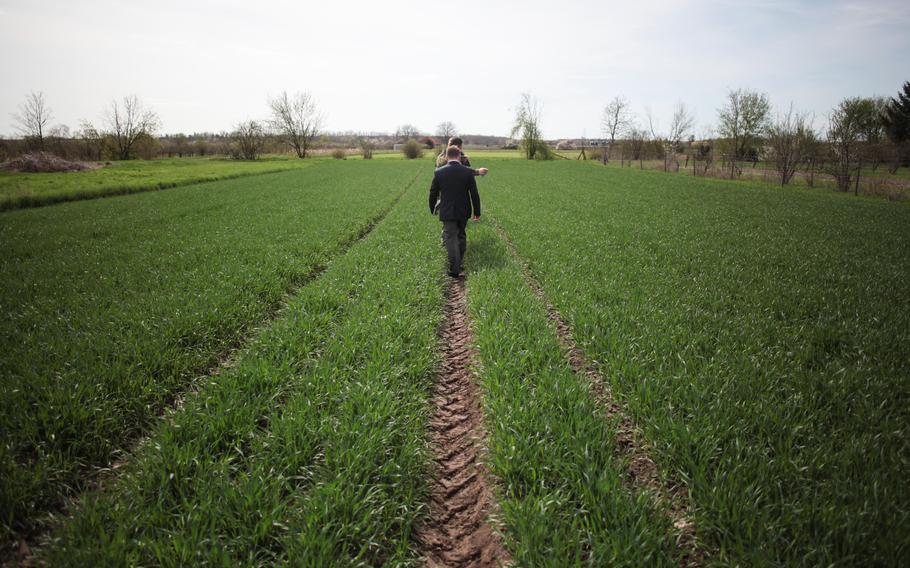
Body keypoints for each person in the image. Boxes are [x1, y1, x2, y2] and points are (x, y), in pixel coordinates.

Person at [429, 145, 481, 278]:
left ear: (446, 156)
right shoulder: (468, 171)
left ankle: (454, 269)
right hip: (464, 210)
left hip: (447, 211)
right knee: (461, 235)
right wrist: (477, 212)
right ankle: (460, 261)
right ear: (459, 156)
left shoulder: (439, 172)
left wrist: (432, 208)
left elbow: (433, 192)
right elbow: (474, 194)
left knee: (450, 238)